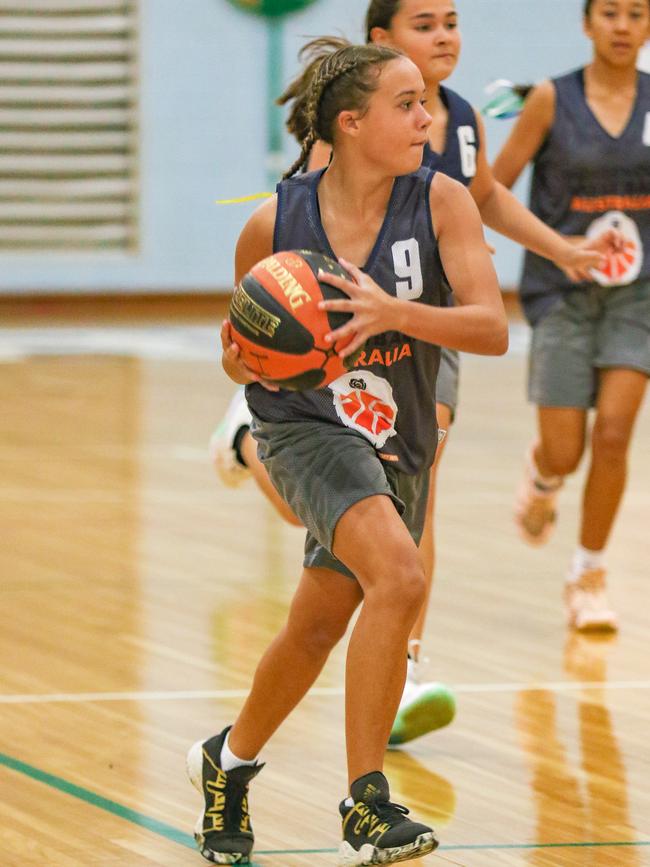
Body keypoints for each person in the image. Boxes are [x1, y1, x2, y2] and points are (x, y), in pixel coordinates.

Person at [211, 0, 618, 746]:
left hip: (418, 339)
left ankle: (232, 757)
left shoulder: (456, 127)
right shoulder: (309, 189)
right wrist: (261, 351)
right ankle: (400, 677)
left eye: (451, 23)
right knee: (392, 557)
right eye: (424, 24)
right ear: (378, 46)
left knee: (328, 604)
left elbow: (489, 205)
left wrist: (552, 250)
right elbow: (268, 297)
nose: (444, 38)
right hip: (324, 387)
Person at [189, 40, 508, 866]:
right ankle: (366, 803)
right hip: (302, 424)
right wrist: (245, 353)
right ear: (351, 122)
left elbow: (492, 327)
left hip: (396, 431)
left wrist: (395, 314)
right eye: (406, 104)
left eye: (425, 102)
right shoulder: (274, 223)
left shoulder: (442, 204)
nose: (426, 115)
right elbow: (238, 354)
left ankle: (226, 763)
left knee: (318, 623)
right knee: (400, 575)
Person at [492, 0, 650, 631]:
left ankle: (588, 574)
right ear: (586, 24)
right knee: (567, 450)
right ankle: (544, 474)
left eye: (635, 13)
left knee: (614, 433)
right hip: (561, 292)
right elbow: (492, 188)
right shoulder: (551, 101)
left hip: (638, 295)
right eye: (608, 12)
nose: (621, 25)